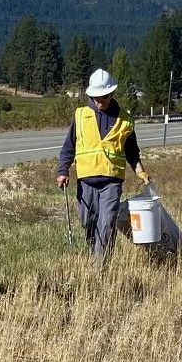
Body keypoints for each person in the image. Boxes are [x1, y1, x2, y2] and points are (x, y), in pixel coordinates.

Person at [56, 67, 144, 264]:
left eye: (103, 96)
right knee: (88, 221)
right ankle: (95, 254)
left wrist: (140, 171)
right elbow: (68, 146)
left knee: (106, 222)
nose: (99, 101)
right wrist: (63, 170)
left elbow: (132, 151)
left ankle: (99, 266)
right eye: (96, 96)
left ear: (111, 93)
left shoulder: (125, 120)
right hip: (86, 180)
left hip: (111, 181)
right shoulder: (80, 115)